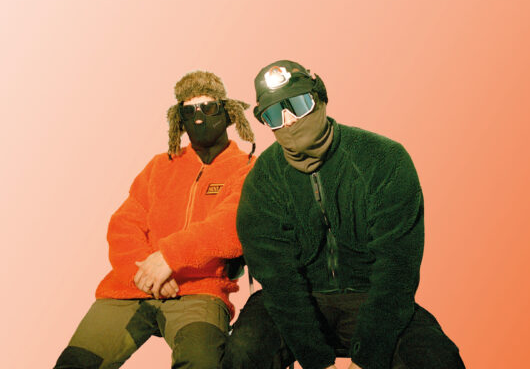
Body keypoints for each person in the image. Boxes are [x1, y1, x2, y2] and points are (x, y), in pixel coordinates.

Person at [223, 60, 465, 369]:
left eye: (298, 105)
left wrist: (368, 356)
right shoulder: (263, 179)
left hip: (373, 298)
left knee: (438, 359)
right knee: (242, 353)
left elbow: (397, 268)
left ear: (320, 99)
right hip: (297, 303)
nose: (289, 121)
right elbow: (278, 280)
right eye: (274, 115)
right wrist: (317, 360)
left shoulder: (384, 159)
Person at [54, 70, 255, 369]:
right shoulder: (161, 166)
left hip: (200, 290)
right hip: (131, 287)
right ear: (179, 119)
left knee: (202, 363)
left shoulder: (247, 167)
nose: (199, 117)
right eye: (189, 111)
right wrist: (145, 271)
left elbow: (231, 225)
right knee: (74, 364)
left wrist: (170, 258)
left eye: (208, 107)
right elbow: (124, 224)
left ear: (227, 112)